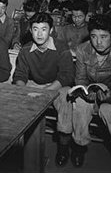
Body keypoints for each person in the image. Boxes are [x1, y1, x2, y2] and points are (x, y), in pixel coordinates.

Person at [71, 14, 111, 172]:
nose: (98, 42)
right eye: (94, 36)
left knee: (108, 111)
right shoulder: (82, 50)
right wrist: (86, 93)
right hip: (92, 93)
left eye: (104, 36)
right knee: (79, 105)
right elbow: (80, 79)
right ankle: (79, 145)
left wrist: (110, 96)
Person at [12, 13, 75, 167]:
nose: (39, 34)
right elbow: (20, 75)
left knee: (66, 99)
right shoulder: (26, 50)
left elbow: (66, 76)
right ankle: (19, 145)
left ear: (51, 30)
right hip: (34, 83)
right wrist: (22, 92)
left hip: (58, 84)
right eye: (35, 29)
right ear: (30, 31)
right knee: (15, 98)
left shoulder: (61, 47)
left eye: (44, 29)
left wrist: (47, 91)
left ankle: (63, 145)